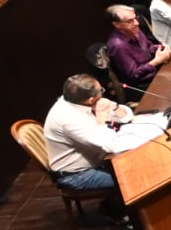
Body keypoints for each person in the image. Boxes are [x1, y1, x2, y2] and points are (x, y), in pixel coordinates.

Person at [43, 73, 126, 202]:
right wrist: (102, 117)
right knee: (131, 178)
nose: (103, 92)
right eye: (101, 90)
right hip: (78, 175)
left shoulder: (76, 102)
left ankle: (114, 206)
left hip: (97, 160)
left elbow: (123, 117)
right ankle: (117, 211)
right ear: (91, 100)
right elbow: (110, 145)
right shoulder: (68, 119)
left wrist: (114, 107)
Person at [105, 2, 171, 93]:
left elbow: (149, 47)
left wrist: (161, 48)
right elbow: (134, 75)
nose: (136, 23)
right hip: (142, 85)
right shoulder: (118, 46)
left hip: (156, 72)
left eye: (135, 18)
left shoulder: (135, 30)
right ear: (117, 24)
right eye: (129, 21)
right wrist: (156, 61)